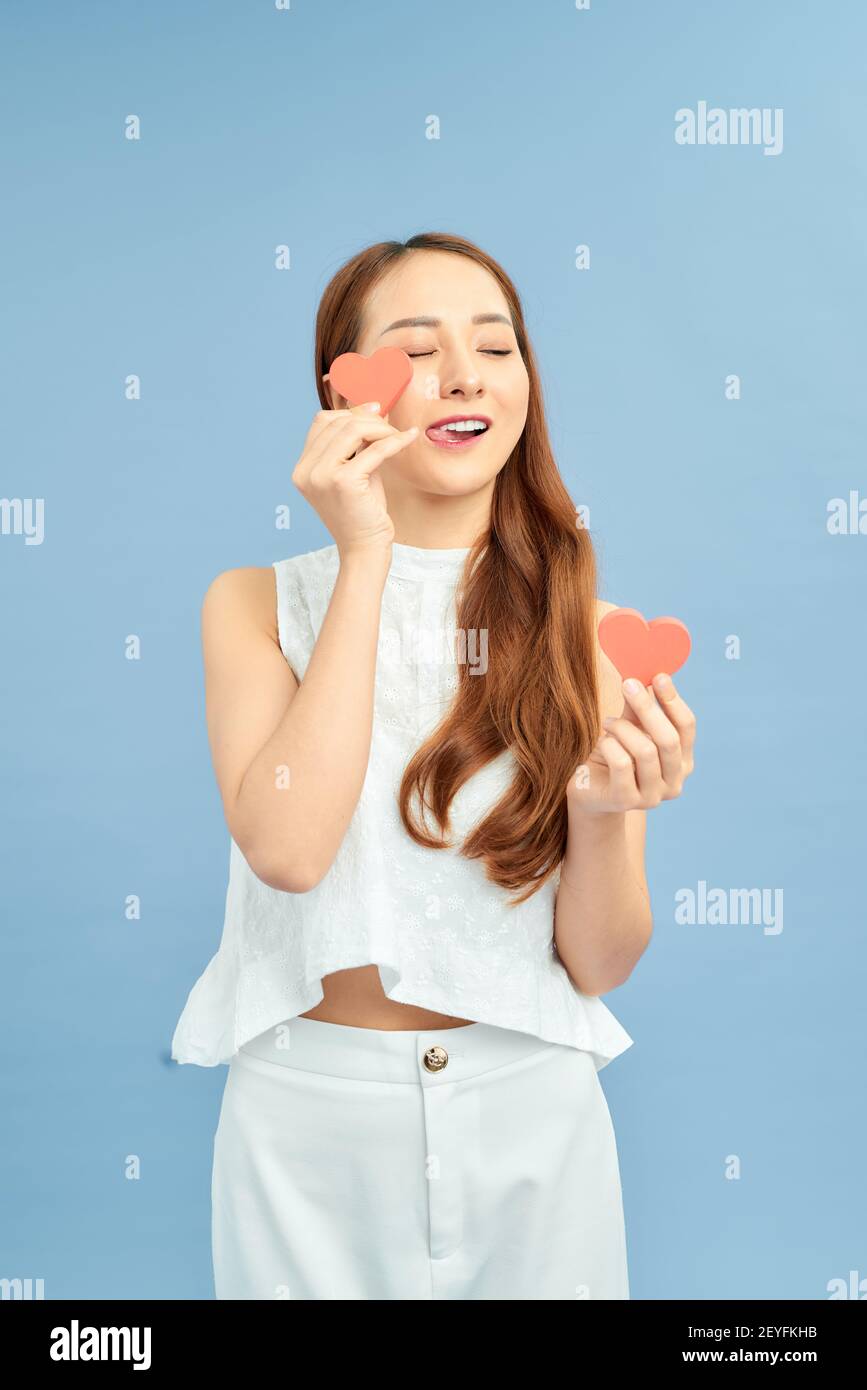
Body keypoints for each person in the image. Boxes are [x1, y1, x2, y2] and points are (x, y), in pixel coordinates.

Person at [171, 231, 697, 1300]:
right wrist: (364, 555)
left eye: (496, 347)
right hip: (303, 1124)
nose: (465, 374)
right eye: (416, 349)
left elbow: (599, 964)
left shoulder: (590, 633)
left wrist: (601, 815)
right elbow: (286, 846)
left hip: (532, 1118)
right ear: (346, 393)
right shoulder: (254, 604)